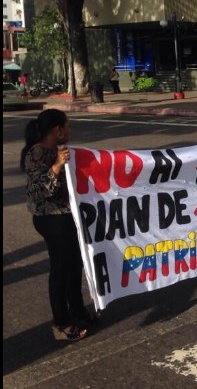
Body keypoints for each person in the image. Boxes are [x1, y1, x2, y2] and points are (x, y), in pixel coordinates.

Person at [21, 109, 97, 342]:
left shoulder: (58, 150)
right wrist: (56, 166)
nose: (70, 131)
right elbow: (36, 192)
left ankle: (77, 310)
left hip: (66, 216)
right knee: (60, 270)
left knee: (75, 264)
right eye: (68, 126)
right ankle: (61, 323)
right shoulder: (37, 152)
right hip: (51, 218)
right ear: (58, 130)